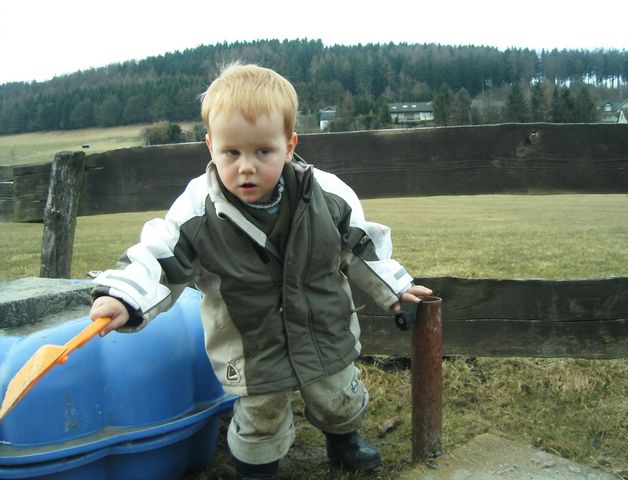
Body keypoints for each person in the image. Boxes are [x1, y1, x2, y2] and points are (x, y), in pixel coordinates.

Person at [89, 63, 431, 479]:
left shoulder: (326, 195)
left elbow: (362, 244)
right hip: (250, 340)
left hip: (322, 325)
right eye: (231, 153)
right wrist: (125, 296)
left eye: (262, 152)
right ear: (210, 146)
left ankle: (344, 440)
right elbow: (159, 257)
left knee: (338, 394)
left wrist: (395, 288)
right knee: (260, 413)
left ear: (289, 145)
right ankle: (256, 470)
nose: (246, 167)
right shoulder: (196, 210)